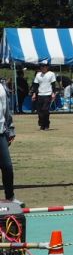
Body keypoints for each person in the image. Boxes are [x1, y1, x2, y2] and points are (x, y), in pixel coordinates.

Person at [0, 75, 18, 205]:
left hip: (1, 133)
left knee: (7, 166)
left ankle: (10, 197)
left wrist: (10, 129)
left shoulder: (2, 87)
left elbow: (6, 111)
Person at [31, 63, 57, 131]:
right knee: (39, 111)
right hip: (40, 94)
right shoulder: (38, 74)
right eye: (41, 67)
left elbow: (53, 84)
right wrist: (34, 94)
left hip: (48, 94)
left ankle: (46, 125)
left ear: (47, 67)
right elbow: (35, 85)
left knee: (45, 110)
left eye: (44, 66)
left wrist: (53, 93)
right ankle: (42, 124)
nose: (42, 68)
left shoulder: (51, 74)